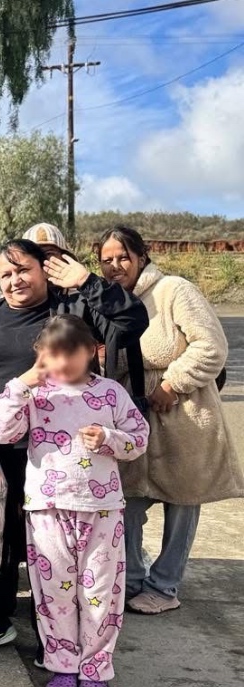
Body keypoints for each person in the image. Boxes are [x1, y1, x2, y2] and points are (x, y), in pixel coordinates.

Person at [0, 239, 148, 661]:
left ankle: (58, 639)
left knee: (57, 552)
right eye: (5, 274)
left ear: (45, 271)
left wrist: (86, 281)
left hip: (60, 454)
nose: (14, 280)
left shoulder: (71, 310)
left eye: (23, 269)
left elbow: (132, 321)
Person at [0, 315, 147, 687]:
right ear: (41, 355)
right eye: (53, 354)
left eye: (71, 352)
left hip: (102, 510)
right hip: (47, 508)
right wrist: (24, 383)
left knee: (100, 591)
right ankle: (63, 665)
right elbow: (1, 431)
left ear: (92, 351)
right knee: (54, 592)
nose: (62, 362)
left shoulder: (110, 393)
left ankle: (94, 670)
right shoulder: (36, 394)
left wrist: (109, 438)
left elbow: (140, 438)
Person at [97, 226, 244, 614]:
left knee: (182, 502)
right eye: (106, 260)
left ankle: (165, 585)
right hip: (135, 417)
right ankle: (129, 578)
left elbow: (212, 345)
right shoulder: (110, 302)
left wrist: (173, 384)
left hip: (184, 416)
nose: (115, 266)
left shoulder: (174, 290)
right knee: (127, 501)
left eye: (122, 257)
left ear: (141, 257)